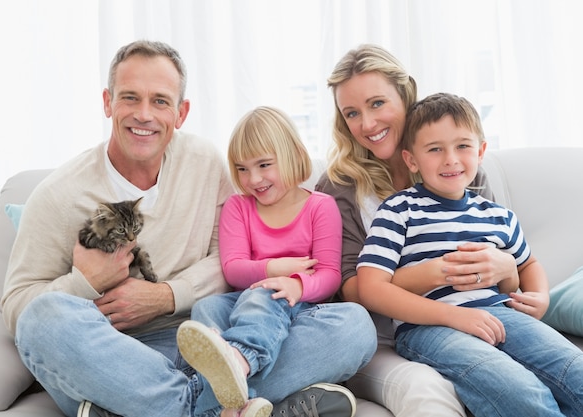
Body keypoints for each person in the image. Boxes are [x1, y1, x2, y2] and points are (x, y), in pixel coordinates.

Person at [1, 40, 375, 417]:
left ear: (181, 112)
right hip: (118, 359)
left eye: (160, 101)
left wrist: (167, 295)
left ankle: (167, 407)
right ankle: (220, 407)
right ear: (107, 102)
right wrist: (85, 281)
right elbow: (18, 308)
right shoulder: (58, 194)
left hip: (211, 341)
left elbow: (226, 258)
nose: (144, 114)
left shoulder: (204, 162)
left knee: (354, 326)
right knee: (42, 321)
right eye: (130, 98)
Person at [316, 44, 520, 416]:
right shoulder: (338, 187)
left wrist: (508, 268)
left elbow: (505, 251)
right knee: (428, 393)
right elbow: (354, 291)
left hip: (472, 320)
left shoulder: (458, 165)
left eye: (377, 104)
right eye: (352, 113)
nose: (367, 124)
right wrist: (431, 273)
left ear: (405, 94)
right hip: (384, 342)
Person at [356, 92, 583, 417]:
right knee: (517, 390)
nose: (451, 159)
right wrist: (455, 316)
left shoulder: (498, 215)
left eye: (462, 146)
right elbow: (372, 288)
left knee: (576, 373)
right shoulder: (398, 210)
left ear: (481, 151)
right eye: (435, 149)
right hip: (429, 327)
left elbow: (528, 262)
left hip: (501, 315)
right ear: (411, 160)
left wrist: (540, 295)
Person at [177, 106, 372, 417]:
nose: (253, 179)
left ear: (293, 154)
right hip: (247, 306)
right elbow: (234, 269)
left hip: (303, 310)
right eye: (241, 169)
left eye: (264, 165)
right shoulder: (238, 207)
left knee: (356, 323)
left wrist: (294, 284)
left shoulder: (320, 207)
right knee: (206, 309)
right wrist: (275, 269)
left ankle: (237, 367)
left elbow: (330, 276)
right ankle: (246, 400)